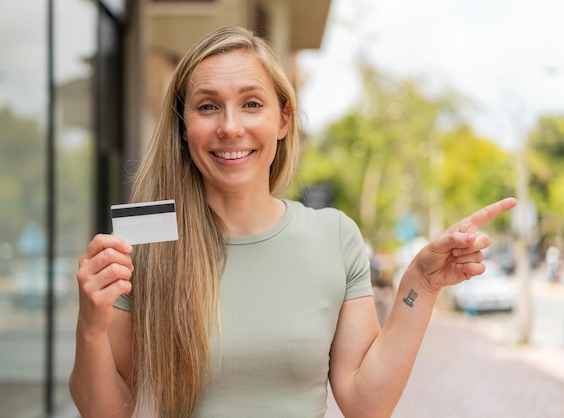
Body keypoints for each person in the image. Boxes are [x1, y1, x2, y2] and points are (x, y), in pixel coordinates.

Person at [69, 26, 517, 418]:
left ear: (283, 119)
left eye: (251, 103)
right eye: (207, 107)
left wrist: (421, 282)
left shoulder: (335, 236)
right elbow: (104, 413)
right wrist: (90, 324)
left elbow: (367, 405)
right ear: (183, 127)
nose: (230, 126)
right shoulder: (144, 244)